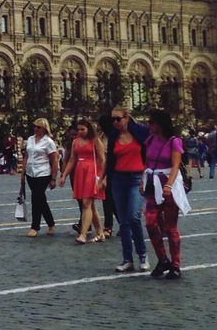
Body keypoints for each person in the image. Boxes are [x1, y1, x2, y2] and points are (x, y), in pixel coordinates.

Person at [143, 108, 191, 279]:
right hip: (153, 184)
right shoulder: (149, 140)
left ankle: (176, 265)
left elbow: (176, 165)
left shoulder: (174, 141)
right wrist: (143, 181)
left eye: (152, 122)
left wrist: (169, 185)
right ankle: (163, 259)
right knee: (150, 222)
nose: (150, 125)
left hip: (168, 185)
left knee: (170, 227)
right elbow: (146, 162)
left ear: (160, 124)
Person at [108, 105, 149, 271]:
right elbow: (110, 159)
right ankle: (127, 259)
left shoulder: (140, 132)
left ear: (126, 118)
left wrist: (147, 176)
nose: (115, 122)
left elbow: (149, 153)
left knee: (134, 217)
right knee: (123, 222)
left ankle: (143, 254)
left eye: (118, 118)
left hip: (137, 178)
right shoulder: (113, 136)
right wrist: (104, 178)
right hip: (118, 179)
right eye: (113, 119)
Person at [60, 118, 105, 243]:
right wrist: (64, 175)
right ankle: (100, 232)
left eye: (82, 129)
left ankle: (83, 234)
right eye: (78, 129)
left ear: (89, 129)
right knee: (90, 205)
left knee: (86, 203)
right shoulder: (75, 142)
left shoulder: (96, 141)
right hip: (80, 171)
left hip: (92, 172)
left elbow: (102, 159)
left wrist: (102, 177)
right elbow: (72, 160)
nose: (80, 132)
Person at [19, 118, 59, 236]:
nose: (35, 129)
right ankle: (51, 223)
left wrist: (53, 178)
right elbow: (26, 156)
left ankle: (35, 227)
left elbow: (54, 160)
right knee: (41, 200)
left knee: (36, 198)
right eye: (34, 126)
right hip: (31, 173)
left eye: (38, 127)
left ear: (44, 129)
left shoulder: (49, 142)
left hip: (43, 173)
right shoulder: (30, 139)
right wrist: (23, 171)